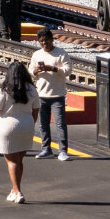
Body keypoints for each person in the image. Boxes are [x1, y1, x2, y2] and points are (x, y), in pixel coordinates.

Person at [0, 61, 39, 204]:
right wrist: (30, 123)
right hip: (27, 125)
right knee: (19, 160)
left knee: (11, 161)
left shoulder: (5, 89)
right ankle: (14, 189)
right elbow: (36, 110)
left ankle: (18, 192)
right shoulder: (31, 88)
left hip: (8, 126)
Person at [28, 28, 72, 160]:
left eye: (46, 41)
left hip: (57, 95)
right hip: (41, 94)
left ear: (51, 40)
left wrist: (52, 68)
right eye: (41, 41)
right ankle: (46, 149)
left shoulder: (61, 53)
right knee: (43, 124)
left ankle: (63, 150)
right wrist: (35, 70)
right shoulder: (36, 55)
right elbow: (30, 70)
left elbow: (68, 70)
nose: (44, 43)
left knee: (60, 124)